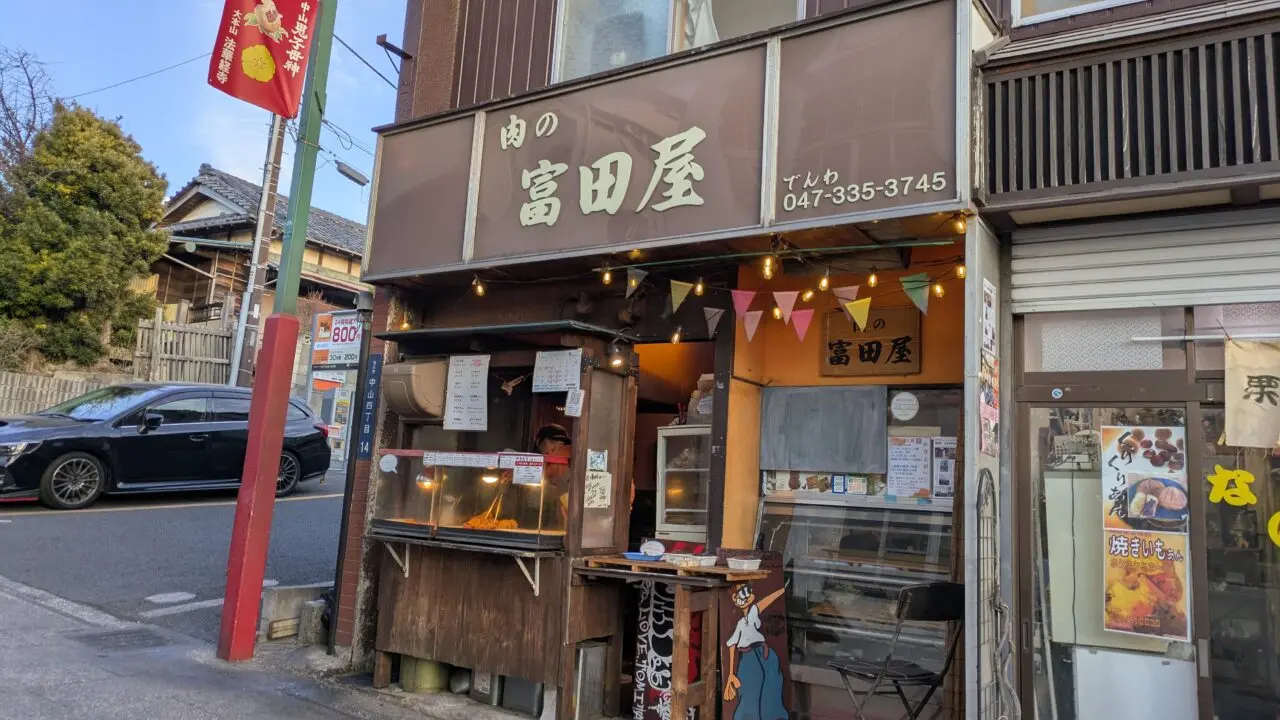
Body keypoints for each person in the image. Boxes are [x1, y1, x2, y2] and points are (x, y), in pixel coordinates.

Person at [723, 582, 788, 719]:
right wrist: (731, 674)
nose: (744, 596)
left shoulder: (753, 611)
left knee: (772, 686)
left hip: (764, 653)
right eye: (740, 593)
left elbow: (766, 601)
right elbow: (731, 646)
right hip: (748, 658)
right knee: (750, 692)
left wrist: (781, 590)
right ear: (734, 598)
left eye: (747, 592)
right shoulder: (740, 624)